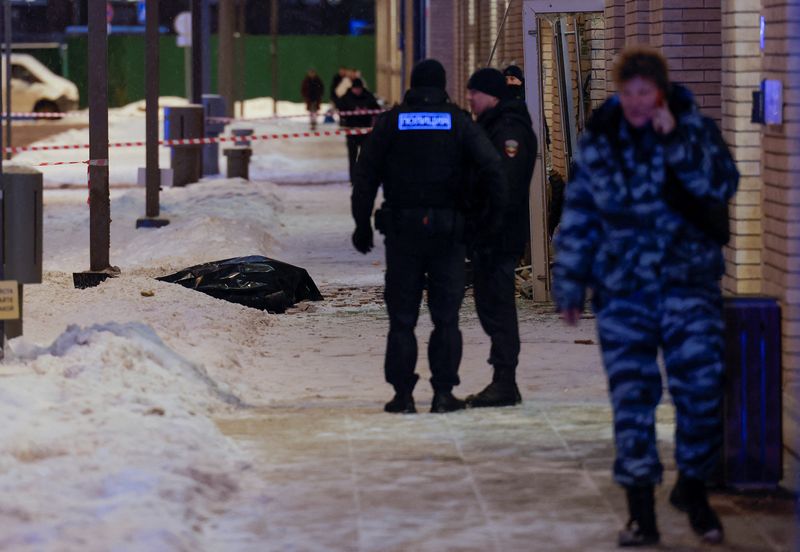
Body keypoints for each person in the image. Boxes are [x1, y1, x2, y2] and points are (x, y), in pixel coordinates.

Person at [552, 46, 738, 547]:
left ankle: (693, 489)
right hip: (624, 293)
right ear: (619, 92)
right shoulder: (604, 140)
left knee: (701, 395)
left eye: (644, 92)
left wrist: (674, 141)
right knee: (633, 400)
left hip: (688, 289)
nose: (636, 102)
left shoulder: (695, 130)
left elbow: (723, 183)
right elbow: (580, 214)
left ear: (660, 91)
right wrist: (569, 280)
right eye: (628, 92)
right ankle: (641, 513)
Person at [351, 59, 508, 414]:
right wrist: (488, 221)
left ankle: (403, 395)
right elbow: (494, 170)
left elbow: (365, 176)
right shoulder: (459, 122)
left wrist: (361, 224)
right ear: (443, 85)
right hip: (449, 234)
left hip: (403, 233)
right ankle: (442, 393)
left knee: (402, 318)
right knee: (446, 318)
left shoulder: (391, 122)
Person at [463, 68, 537, 408]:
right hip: (486, 236)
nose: (469, 99)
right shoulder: (491, 126)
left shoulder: (510, 131)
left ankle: (505, 381)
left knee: (499, 306)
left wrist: (486, 227)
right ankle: (502, 378)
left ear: (491, 95)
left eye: (474, 93)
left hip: (500, 236)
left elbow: (504, 188)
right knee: (488, 306)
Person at [335, 78, 380, 184]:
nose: (357, 91)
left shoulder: (368, 96)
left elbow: (376, 109)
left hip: (365, 132)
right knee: (352, 157)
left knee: (366, 157)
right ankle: (353, 179)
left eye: (359, 89)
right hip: (351, 132)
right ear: (352, 89)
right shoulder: (346, 97)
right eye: (355, 89)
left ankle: (365, 177)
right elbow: (341, 109)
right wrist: (352, 111)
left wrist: (366, 110)